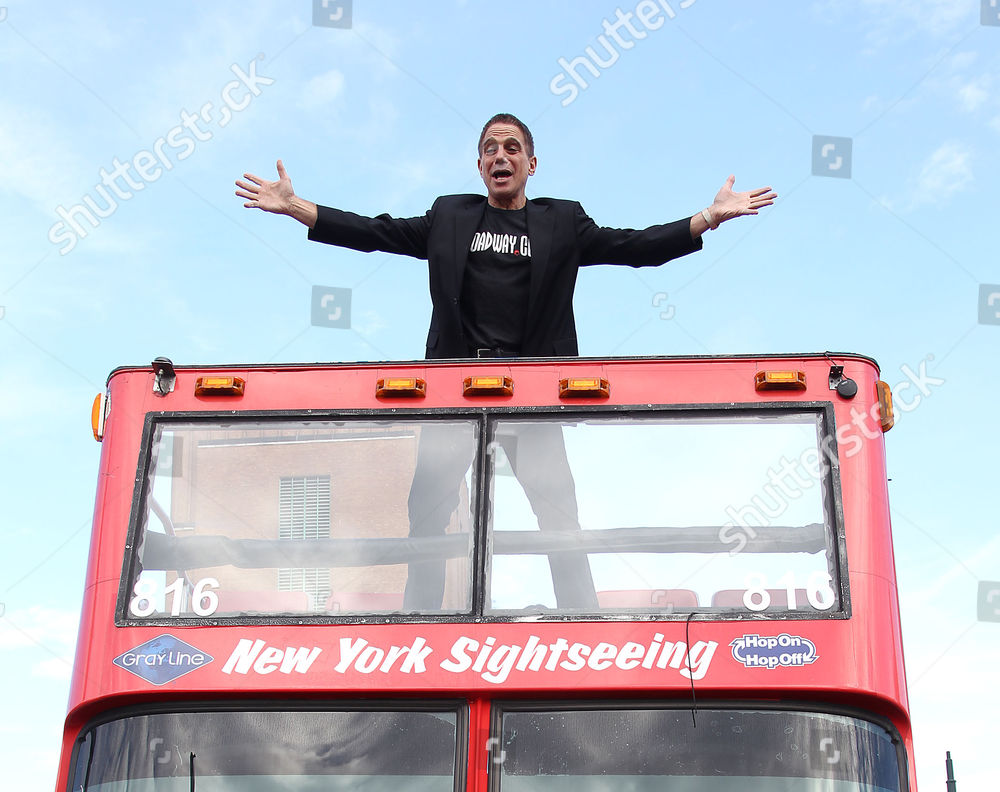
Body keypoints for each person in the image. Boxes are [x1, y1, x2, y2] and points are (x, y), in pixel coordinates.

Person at [236, 116, 776, 611]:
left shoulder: (562, 222)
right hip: (456, 391)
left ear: (530, 165)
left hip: (529, 393)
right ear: (479, 166)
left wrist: (709, 217)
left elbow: (634, 247)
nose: (501, 156)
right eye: (490, 148)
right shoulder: (450, 215)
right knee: (425, 510)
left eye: (512, 148)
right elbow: (374, 233)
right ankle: (416, 622)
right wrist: (294, 205)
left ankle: (579, 618)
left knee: (559, 513)